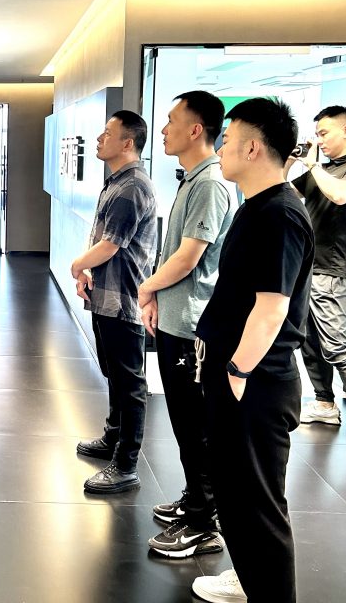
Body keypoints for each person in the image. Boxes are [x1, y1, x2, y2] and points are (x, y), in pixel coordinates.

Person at [190, 98, 313, 603]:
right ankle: (247, 579)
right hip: (239, 376)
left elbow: (272, 308)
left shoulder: (280, 214)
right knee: (237, 496)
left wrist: (237, 371)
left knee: (257, 504)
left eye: (227, 140)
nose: (220, 149)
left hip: (257, 383)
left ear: (253, 148)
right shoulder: (255, 206)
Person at [138, 91, 234, 558]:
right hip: (177, 319)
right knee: (183, 421)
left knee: (196, 426)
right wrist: (158, 296)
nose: (163, 129)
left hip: (193, 326)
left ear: (196, 129)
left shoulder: (211, 183)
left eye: (171, 120)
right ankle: (195, 498)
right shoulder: (192, 179)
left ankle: (203, 522)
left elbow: (189, 256)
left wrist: (146, 288)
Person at [287, 105, 346, 454]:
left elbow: (341, 195)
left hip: (334, 269)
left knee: (336, 345)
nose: (320, 140)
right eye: (317, 134)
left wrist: (313, 166)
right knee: (309, 341)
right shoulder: (321, 169)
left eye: (324, 133)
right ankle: (325, 404)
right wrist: (291, 160)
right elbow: (284, 192)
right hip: (306, 266)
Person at [72, 111, 157, 494]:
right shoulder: (117, 182)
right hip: (106, 294)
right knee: (115, 375)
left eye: (107, 133)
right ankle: (113, 436)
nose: (98, 138)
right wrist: (88, 270)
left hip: (123, 299)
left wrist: (78, 265)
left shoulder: (131, 187)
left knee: (129, 382)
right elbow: (103, 240)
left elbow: (111, 245)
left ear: (127, 142)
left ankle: (126, 464)